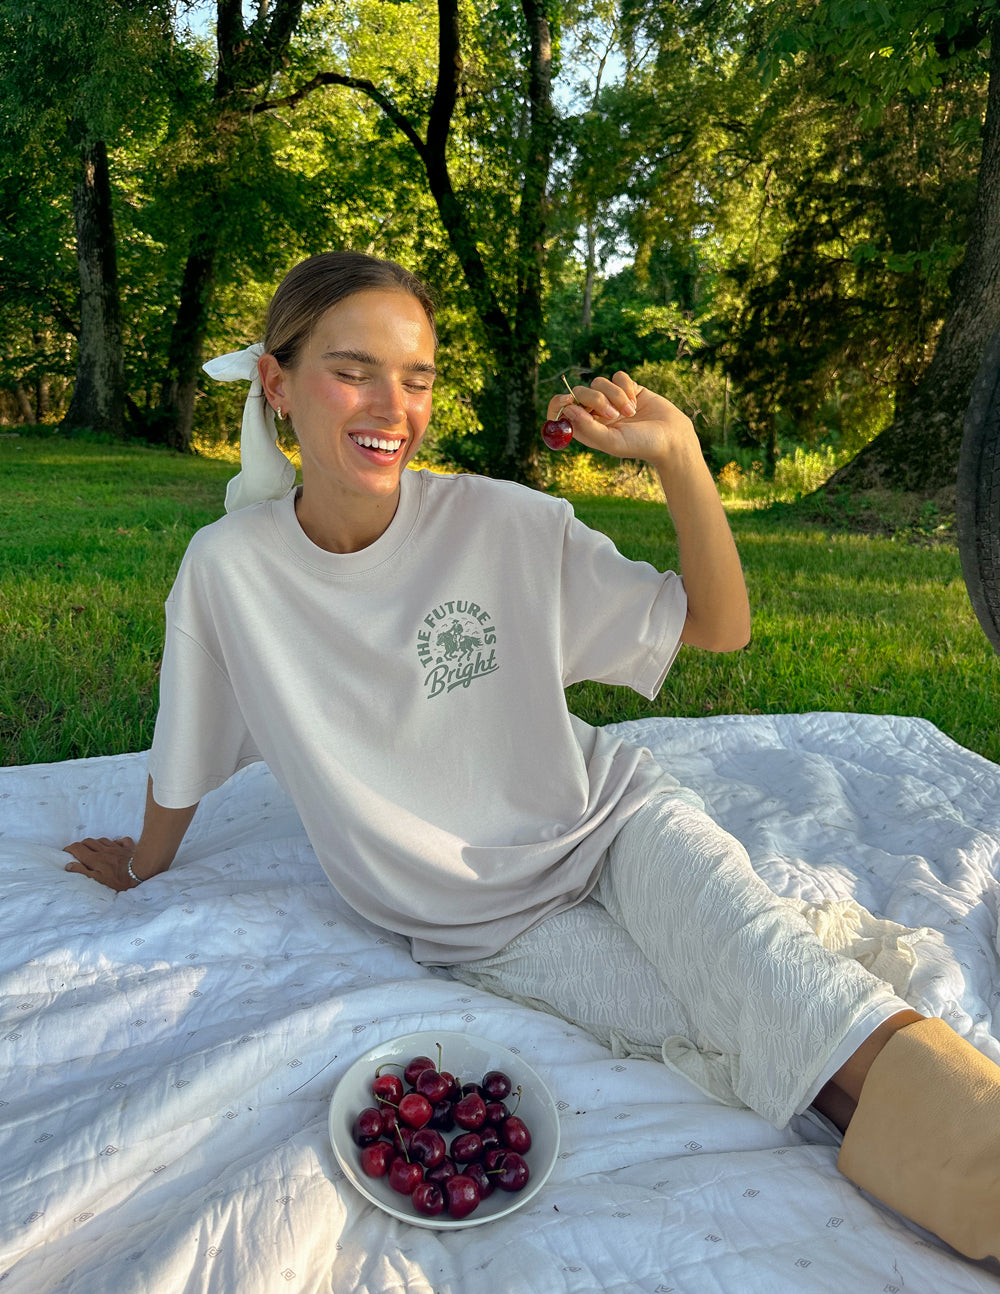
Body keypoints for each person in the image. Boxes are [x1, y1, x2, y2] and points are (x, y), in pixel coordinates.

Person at [63, 251, 1000, 1264]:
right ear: (277, 384)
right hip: (475, 924)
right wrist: (145, 862)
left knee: (781, 988)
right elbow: (189, 733)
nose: (392, 404)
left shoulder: (498, 521)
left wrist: (679, 455)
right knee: (721, 1028)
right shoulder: (229, 572)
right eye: (353, 369)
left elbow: (717, 628)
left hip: (613, 824)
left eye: (416, 377)